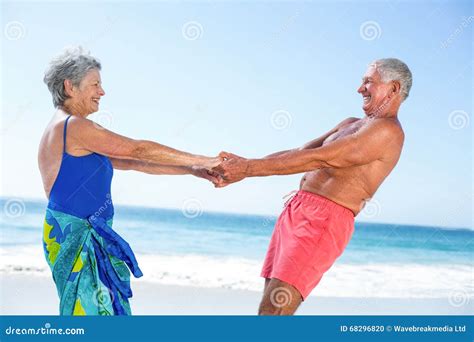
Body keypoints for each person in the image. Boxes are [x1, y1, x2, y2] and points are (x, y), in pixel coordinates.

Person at [212, 58, 412, 315]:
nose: (360, 88)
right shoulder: (350, 123)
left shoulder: (389, 131)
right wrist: (237, 167)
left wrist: (247, 168)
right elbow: (302, 151)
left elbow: (322, 158)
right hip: (296, 210)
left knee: (272, 312)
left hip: (324, 220)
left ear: (393, 88)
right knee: (269, 306)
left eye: (368, 82)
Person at [38, 47, 220, 315]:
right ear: (70, 86)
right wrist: (207, 159)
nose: (102, 92)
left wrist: (192, 169)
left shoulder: (66, 129)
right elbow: (137, 149)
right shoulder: (73, 126)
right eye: (95, 84)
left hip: (81, 234)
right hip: (75, 236)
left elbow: (135, 163)